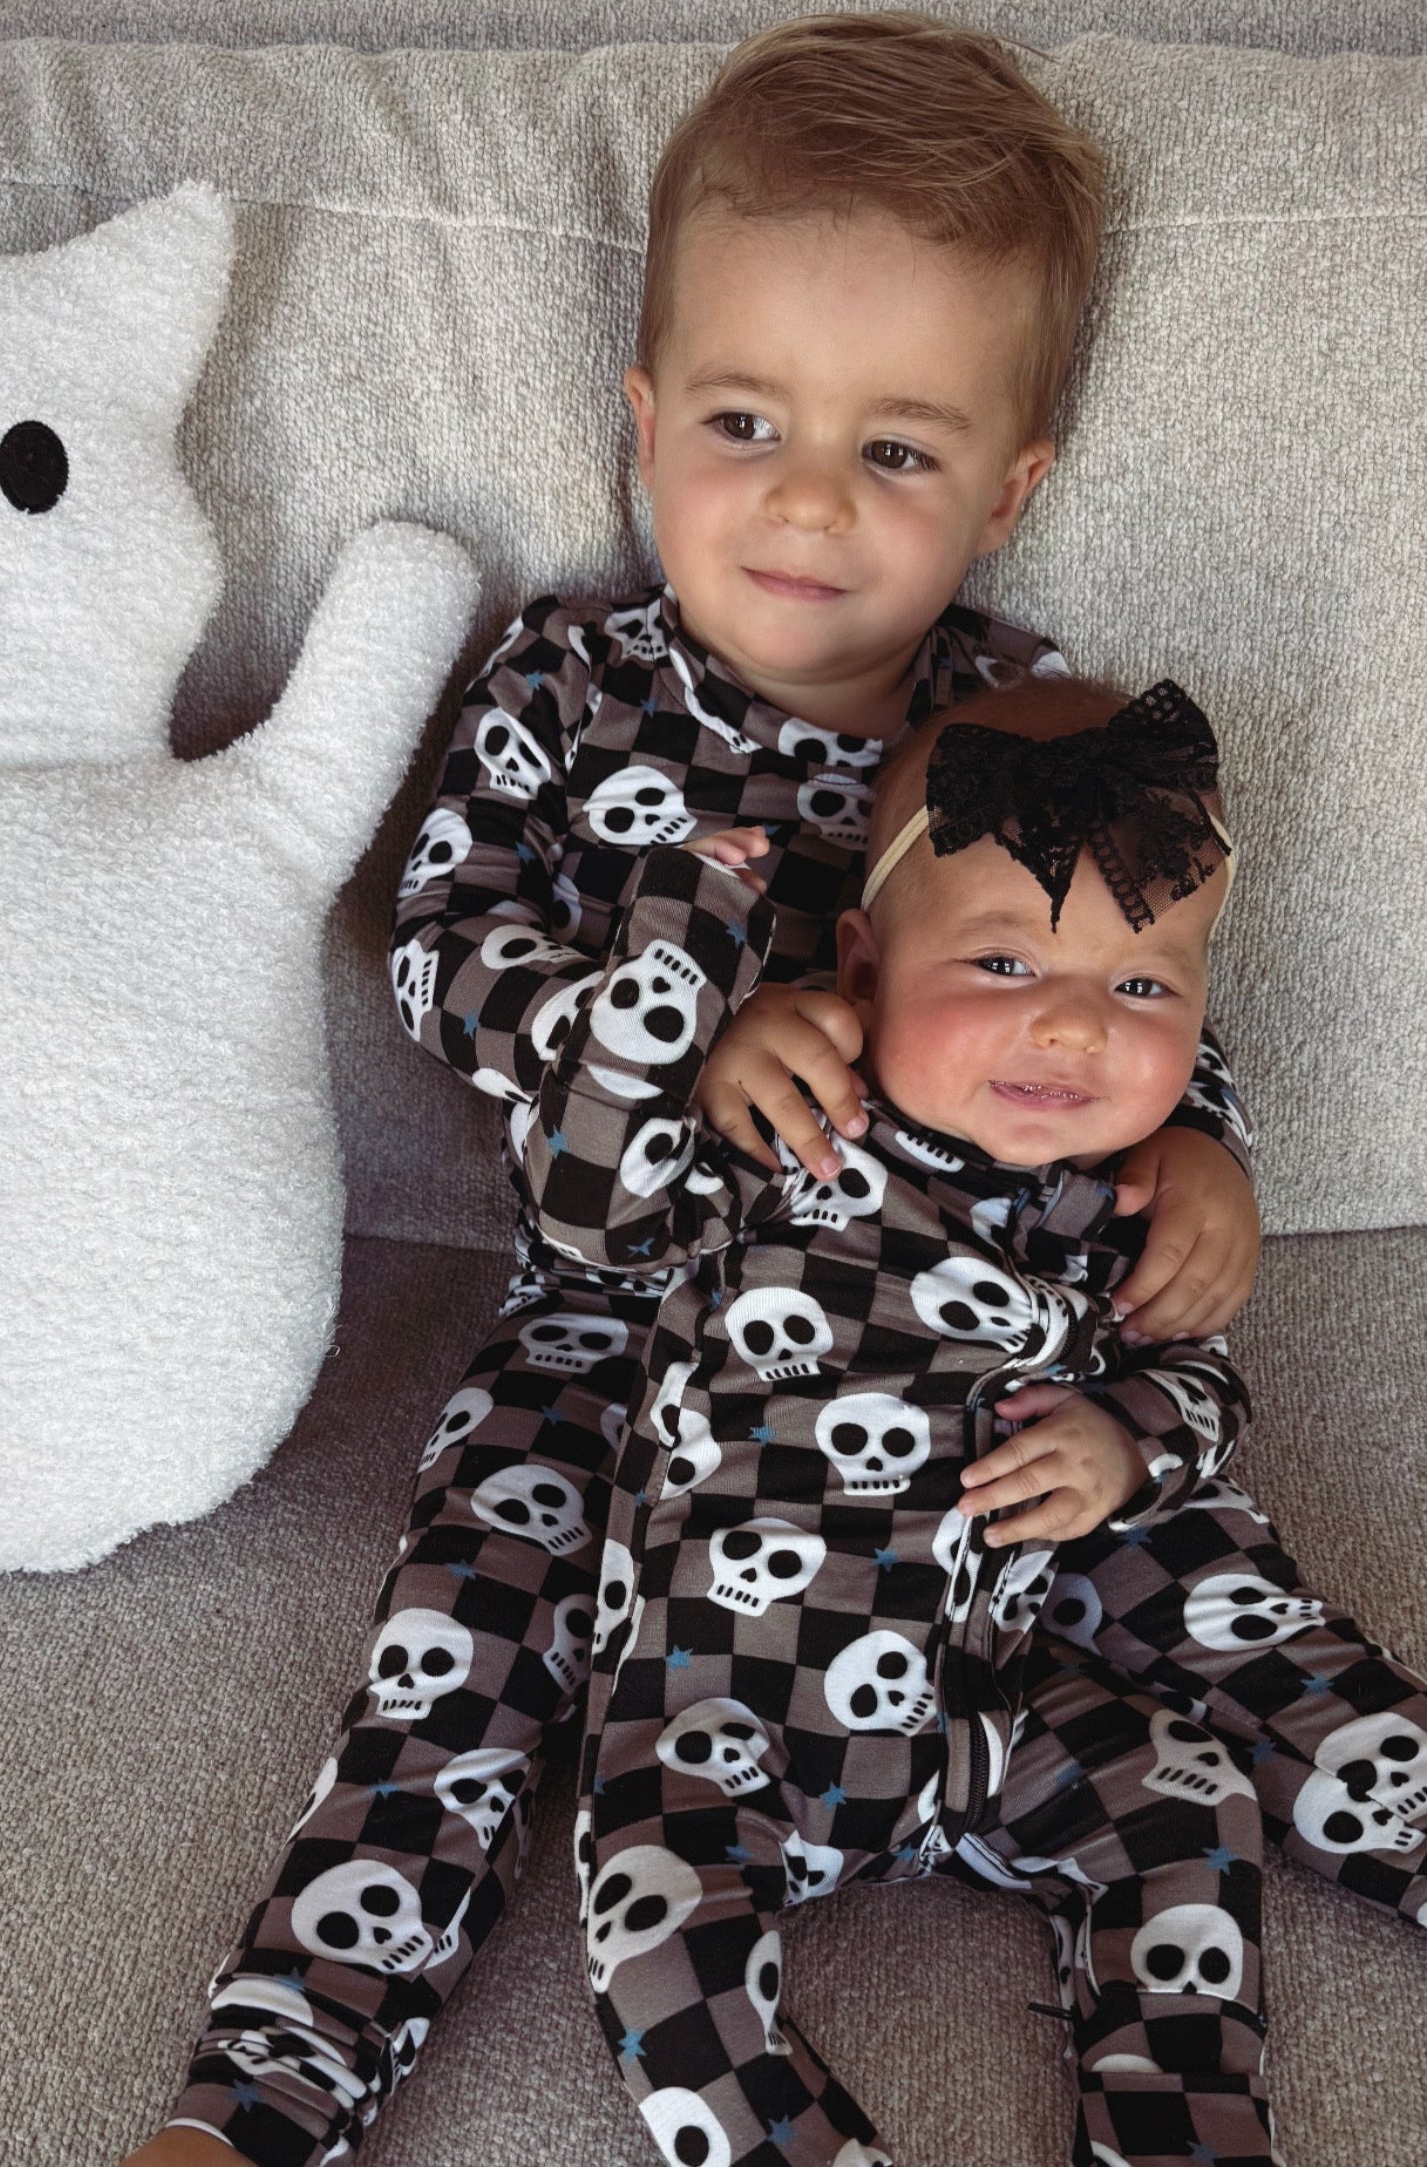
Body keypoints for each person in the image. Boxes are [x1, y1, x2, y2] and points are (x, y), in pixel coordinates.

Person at [121, 17, 1274, 2164]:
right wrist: (656, 1032)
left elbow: (1136, 970)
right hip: (607, 1325)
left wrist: (1198, 1136)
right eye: (747, 423)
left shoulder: (1031, 727)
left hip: (952, 1357)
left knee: (1192, 1609)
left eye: (897, 450)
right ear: (644, 420)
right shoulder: (566, 689)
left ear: (1010, 488)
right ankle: (265, 2088)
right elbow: (447, 944)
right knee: (458, 1665)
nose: (809, 500)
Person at [528, 676, 1273, 2167]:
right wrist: (695, 976)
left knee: (1195, 1808)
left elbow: (1205, 1382)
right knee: (659, 1950)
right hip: (720, 1723)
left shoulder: (1114, 1199)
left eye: (1144, 988)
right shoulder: (787, 1128)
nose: (1073, 1026)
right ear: (862, 966)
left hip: (995, 1709)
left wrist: (1130, 1441)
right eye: (1002, 961)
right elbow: (589, 1212)